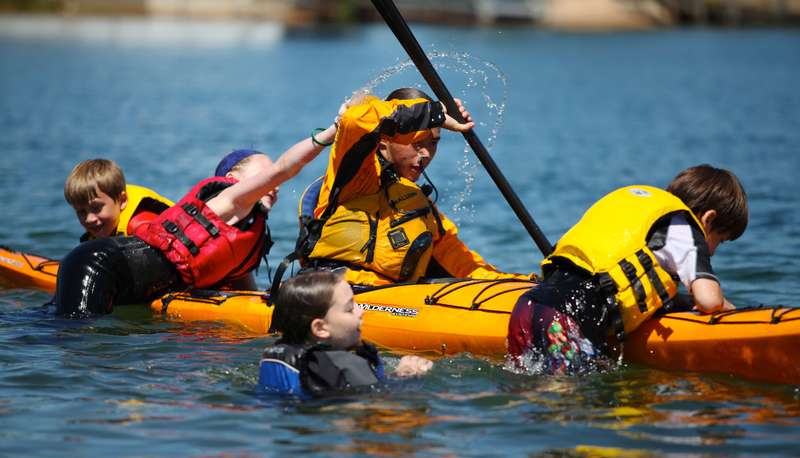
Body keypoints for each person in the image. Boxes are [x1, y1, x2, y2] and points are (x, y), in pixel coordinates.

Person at [54, 117, 339, 318]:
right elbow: (284, 169)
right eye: (262, 177)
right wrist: (328, 134)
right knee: (79, 343)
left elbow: (246, 295)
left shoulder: (247, 230)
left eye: (270, 180)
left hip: (119, 275)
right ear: (232, 180)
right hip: (98, 265)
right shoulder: (227, 201)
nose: (272, 185)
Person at [506, 164, 749, 375]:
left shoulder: (634, 207)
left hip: (527, 309)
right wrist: (729, 308)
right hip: (564, 322)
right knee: (565, 414)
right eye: (720, 240)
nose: (714, 251)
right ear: (707, 219)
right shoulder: (685, 228)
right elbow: (708, 300)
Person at [295, 87, 531, 286]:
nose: (427, 154)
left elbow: (465, 266)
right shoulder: (356, 176)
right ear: (387, 138)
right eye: (418, 143)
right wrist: (434, 112)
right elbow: (356, 119)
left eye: (434, 143)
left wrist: (527, 285)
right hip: (334, 293)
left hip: (396, 302)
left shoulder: (421, 207)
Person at [259, 269, 433, 397]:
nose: (360, 312)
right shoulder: (345, 365)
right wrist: (407, 374)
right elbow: (384, 401)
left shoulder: (276, 353)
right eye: (350, 309)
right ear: (320, 328)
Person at [64, 158, 173, 241]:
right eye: (81, 212)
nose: (89, 219)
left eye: (96, 208)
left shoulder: (141, 227)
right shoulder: (103, 228)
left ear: (122, 201)